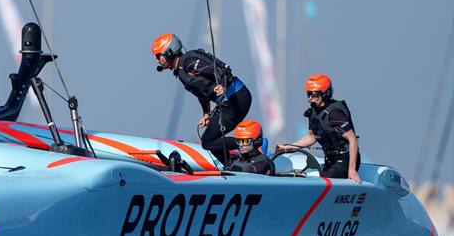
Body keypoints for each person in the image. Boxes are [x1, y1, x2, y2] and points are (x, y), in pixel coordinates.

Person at [152, 33, 252, 165]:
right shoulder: (181, 71)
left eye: (159, 56)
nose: (157, 60)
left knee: (209, 141)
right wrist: (206, 113)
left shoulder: (188, 62)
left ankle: (252, 144)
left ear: (169, 52)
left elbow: (218, 69)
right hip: (229, 102)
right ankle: (232, 164)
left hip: (237, 97)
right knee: (210, 140)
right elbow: (202, 92)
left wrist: (222, 84)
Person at [276, 74, 361, 183]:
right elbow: (312, 136)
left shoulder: (335, 114)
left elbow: (353, 139)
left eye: (314, 94)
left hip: (345, 159)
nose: (310, 98)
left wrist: (352, 170)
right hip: (331, 159)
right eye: (308, 94)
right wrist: (289, 146)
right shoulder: (313, 113)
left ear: (325, 94)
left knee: (322, 179)